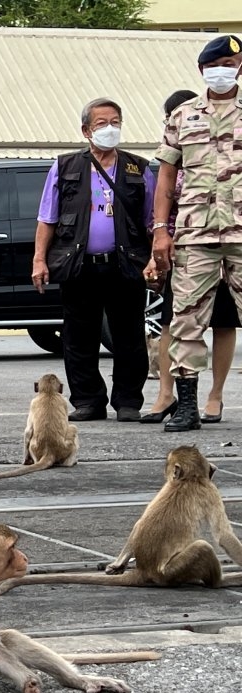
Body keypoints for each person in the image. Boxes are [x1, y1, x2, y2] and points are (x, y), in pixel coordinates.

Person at [32, 98, 154, 423]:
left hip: (124, 264)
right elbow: (48, 218)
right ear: (86, 130)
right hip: (79, 265)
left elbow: (152, 221)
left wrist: (156, 260)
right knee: (78, 337)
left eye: (115, 121)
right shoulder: (65, 166)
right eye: (102, 123)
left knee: (129, 335)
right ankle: (87, 400)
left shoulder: (138, 168)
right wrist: (39, 260)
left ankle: (128, 401)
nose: (110, 128)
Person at [150, 35, 242, 432]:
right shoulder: (183, 115)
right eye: (215, 62)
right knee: (186, 320)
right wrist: (159, 230)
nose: (223, 69)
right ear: (202, 70)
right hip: (194, 234)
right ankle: (186, 405)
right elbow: (167, 177)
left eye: (230, 62)